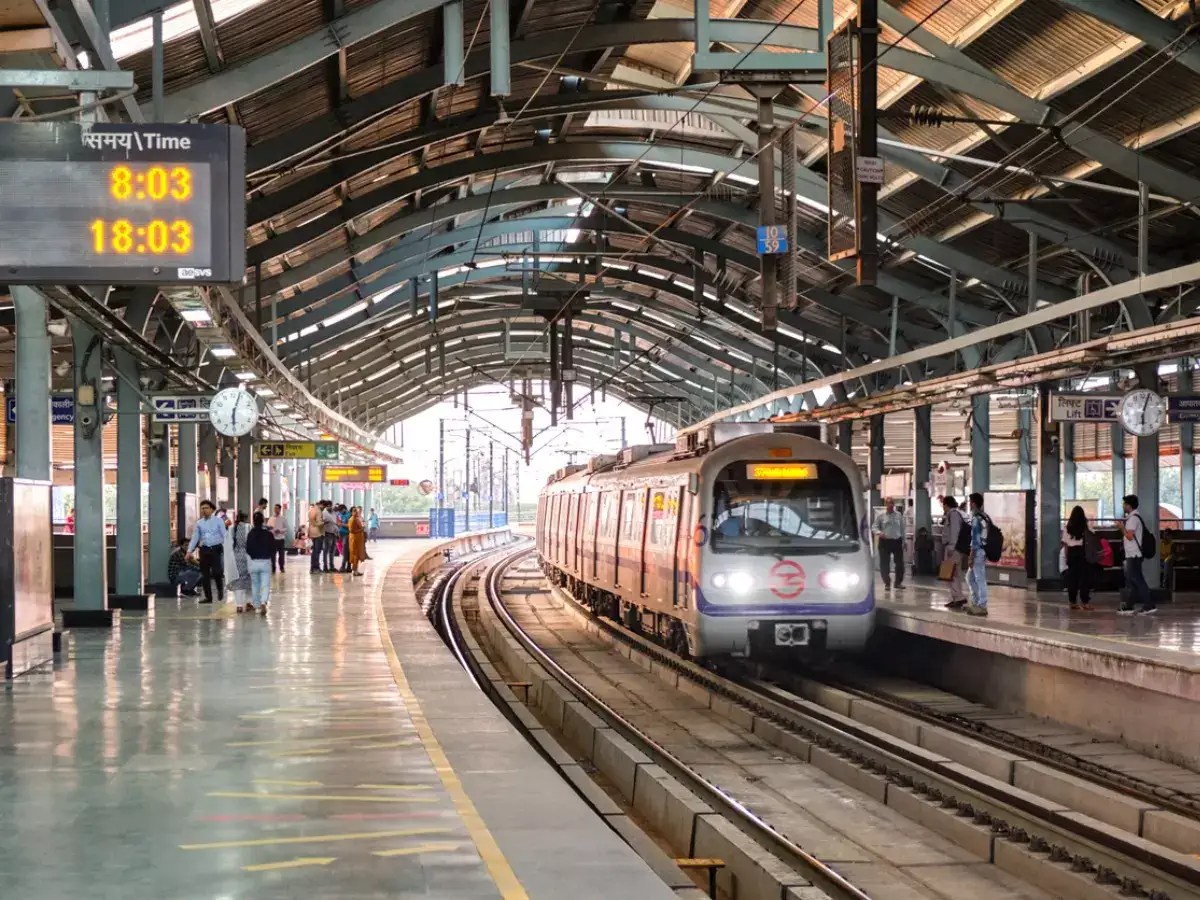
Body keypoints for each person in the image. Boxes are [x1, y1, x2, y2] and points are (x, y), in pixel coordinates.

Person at [1118, 494, 1156, 615]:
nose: (1123, 506)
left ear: (1128, 505)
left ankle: (1148, 604)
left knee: (1137, 580)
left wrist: (1121, 528)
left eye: (1124, 504)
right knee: (1132, 580)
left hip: (1134, 554)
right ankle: (1130, 605)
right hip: (1133, 554)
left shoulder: (1133, 518)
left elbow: (1129, 536)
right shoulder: (1134, 517)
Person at [187, 499, 227, 604]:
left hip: (216, 549)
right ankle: (208, 598)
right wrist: (189, 551)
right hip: (204, 550)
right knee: (205, 575)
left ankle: (220, 590)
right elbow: (195, 538)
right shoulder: (199, 523)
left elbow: (225, 535)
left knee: (217, 572)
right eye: (202, 508)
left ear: (212, 509)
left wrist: (228, 548)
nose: (204, 510)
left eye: (206, 508)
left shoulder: (219, 521)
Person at [1061, 505, 1094, 611]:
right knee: (1084, 579)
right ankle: (1085, 602)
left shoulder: (1067, 527)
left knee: (1072, 579)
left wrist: (1066, 557)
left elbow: (1065, 544)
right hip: (1082, 553)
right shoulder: (1086, 526)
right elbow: (1092, 538)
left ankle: (1072, 602)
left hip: (1071, 553)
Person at [941, 497, 969, 610]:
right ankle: (956, 597)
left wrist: (952, 547)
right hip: (953, 547)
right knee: (953, 574)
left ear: (946, 505)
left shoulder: (953, 515)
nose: (943, 507)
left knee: (950, 573)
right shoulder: (954, 514)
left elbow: (955, 531)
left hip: (953, 548)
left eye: (943, 505)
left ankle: (958, 597)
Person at [245, 511, 275, 615]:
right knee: (265, 584)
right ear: (263, 521)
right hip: (265, 562)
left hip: (253, 562)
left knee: (255, 585)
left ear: (253, 521)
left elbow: (247, 549)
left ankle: (256, 604)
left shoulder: (250, 534)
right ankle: (263, 602)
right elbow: (273, 548)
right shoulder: (268, 534)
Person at [873, 499, 906, 591]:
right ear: (886, 504)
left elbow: (903, 529)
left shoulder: (899, 515)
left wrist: (905, 541)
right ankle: (887, 583)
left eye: (892, 503)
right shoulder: (881, 516)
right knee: (884, 564)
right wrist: (879, 533)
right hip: (885, 542)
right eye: (889, 503)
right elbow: (874, 527)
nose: (891, 505)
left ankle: (898, 583)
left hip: (896, 541)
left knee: (899, 563)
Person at [223, 511, 252, 612]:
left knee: (238, 581)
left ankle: (239, 605)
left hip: (235, 558)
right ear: (246, 518)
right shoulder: (249, 527)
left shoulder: (231, 529)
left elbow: (227, 545)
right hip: (248, 556)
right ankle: (249, 603)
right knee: (249, 581)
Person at [965, 492, 989, 616]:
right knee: (970, 577)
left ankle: (982, 605)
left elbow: (975, 540)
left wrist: (971, 556)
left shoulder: (976, 519)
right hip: (983, 551)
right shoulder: (984, 516)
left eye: (970, 502)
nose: (969, 504)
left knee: (979, 578)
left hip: (978, 552)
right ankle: (975, 602)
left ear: (973, 503)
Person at [267, 503, 288, 574]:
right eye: (274, 508)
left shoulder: (283, 518)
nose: (275, 509)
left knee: (281, 554)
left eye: (277, 508)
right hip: (273, 539)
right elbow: (268, 527)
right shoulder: (271, 518)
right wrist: (272, 531)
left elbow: (286, 528)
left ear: (279, 509)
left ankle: (282, 567)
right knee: (272, 554)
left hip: (281, 539)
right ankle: (273, 568)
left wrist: (280, 530)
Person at [322, 501, 340, 573]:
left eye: (330, 506)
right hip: (327, 534)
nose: (329, 507)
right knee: (326, 551)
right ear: (326, 506)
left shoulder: (333, 513)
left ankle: (332, 566)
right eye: (328, 506)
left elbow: (335, 524)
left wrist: (337, 533)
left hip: (334, 534)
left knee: (332, 551)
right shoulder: (323, 513)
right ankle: (325, 567)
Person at [348, 506, 367, 576]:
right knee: (355, 555)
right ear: (352, 512)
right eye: (354, 511)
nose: (356, 512)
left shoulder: (356, 519)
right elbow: (351, 530)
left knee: (357, 555)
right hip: (354, 540)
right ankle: (355, 571)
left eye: (356, 511)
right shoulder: (352, 519)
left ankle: (356, 570)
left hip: (358, 540)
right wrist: (361, 529)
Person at [1160, 528, 1177, 603]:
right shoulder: (1160, 542)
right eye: (1164, 535)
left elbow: (1172, 555)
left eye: (1167, 535)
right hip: (1160, 561)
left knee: (1167, 564)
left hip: (1168, 560)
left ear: (1170, 536)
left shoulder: (1172, 544)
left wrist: (1166, 559)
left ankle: (1165, 586)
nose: (1165, 536)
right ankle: (1163, 586)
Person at [309, 501, 325, 574]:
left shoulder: (312, 509)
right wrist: (324, 522)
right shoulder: (318, 511)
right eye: (323, 506)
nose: (323, 508)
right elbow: (319, 523)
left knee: (314, 551)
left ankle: (312, 568)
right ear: (321, 505)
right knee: (317, 551)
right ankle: (316, 568)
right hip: (318, 533)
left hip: (312, 532)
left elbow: (312, 521)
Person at [339, 504, 352, 573]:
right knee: (346, 552)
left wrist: (341, 524)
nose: (340, 512)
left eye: (341, 511)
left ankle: (344, 566)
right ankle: (348, 567)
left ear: (344, 509)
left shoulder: (349, 515)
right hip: (342, 535)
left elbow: (350, 525)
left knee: (345, 551)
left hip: (347, 535)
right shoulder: (342, 515)